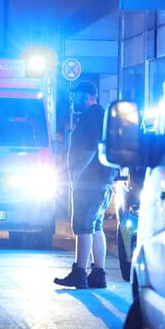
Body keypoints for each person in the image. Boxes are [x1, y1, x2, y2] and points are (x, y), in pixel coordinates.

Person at [54, 81, 116, 289]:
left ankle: (79, 273)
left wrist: (75, 176)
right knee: (95, 226)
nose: (73, 99)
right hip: (103, 181)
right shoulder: (104, 115)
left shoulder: (90, 117)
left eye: (77, 95)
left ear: (89, 95)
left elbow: (89, 150)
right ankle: (99, 273)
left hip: (89, 182)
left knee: (82, 227)